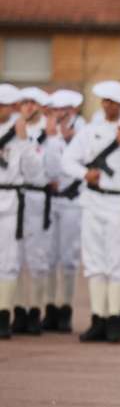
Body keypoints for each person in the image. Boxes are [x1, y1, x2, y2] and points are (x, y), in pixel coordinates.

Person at [61, 81, 120, 344]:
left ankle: (114, 321)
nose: (107, 105)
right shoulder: (90, 131)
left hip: (118, 201)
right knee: (94, 261)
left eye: (112, 102)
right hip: (93, 200)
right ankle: (98, 318)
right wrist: (84, 173)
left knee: (117, 261)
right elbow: (67, 160)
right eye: (105, 101)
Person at [43, 89, 85, 333]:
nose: (59, 115)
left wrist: (69, 140)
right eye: (56, 110)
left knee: (68, 258)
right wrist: (51, 140)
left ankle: (66, 309)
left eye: (64, 110)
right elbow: (46, 169)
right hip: (52, 200)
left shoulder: (84, 132)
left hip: (71, 200)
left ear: (74, 110)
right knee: (49, 257)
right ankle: (49, 308)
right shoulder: (48, 134)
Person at [0, 83, 39, 340]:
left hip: (12, 199)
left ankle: (3, 314)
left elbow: (35, 173)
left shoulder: (23, 132)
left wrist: (23, 141)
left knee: (9, 261)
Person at [15, 87, 52, 335]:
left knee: (36, 256)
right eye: (24, 103)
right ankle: (16, 310)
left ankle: (35, 310)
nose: (28, 107)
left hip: (37, 196)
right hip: (14, 196)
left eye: (33, 103)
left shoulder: (49, 134)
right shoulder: (13, 131)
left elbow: (45, 169)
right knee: (12, 257)